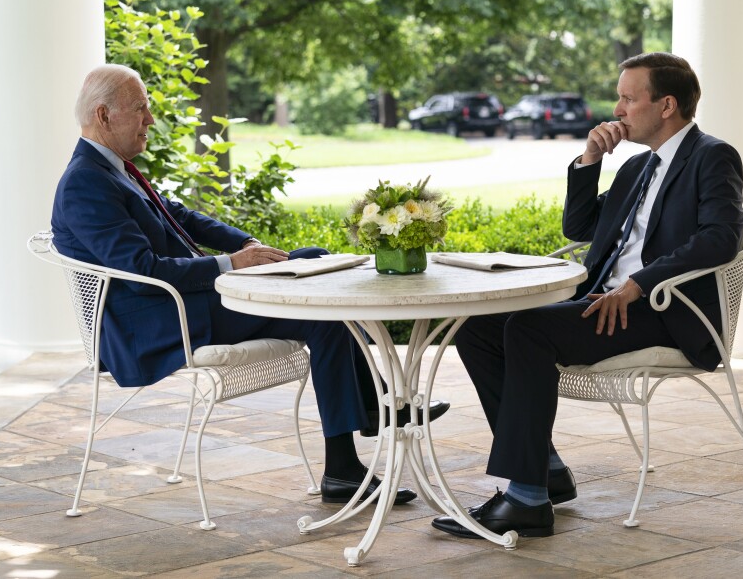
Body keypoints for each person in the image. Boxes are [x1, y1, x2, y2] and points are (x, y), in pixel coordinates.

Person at [51, 64, 449, 506]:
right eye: (141, 109)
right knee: (325, 317)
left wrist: (244, 243)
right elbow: (144, 272)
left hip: (185, 302)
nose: (150, 119)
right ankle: (347, 463)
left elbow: (179, 217)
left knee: (313, 260)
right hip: (160, 321)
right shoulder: (85, 183)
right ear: (104, 116)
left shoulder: (113, 168)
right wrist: (230, 264)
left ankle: (374, 413)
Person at [431, 52, 743, 538]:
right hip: (603, 301)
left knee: (529, 329)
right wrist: (589, 161)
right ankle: (546, 469)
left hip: (664, 310)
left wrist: (638, 284)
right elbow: (580, 226)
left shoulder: (711, 155)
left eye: (627, 98)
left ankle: (527, 500)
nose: (617, 109)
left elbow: (720, 235)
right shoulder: (638, 165)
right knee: (477, 329)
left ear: (666, 105)